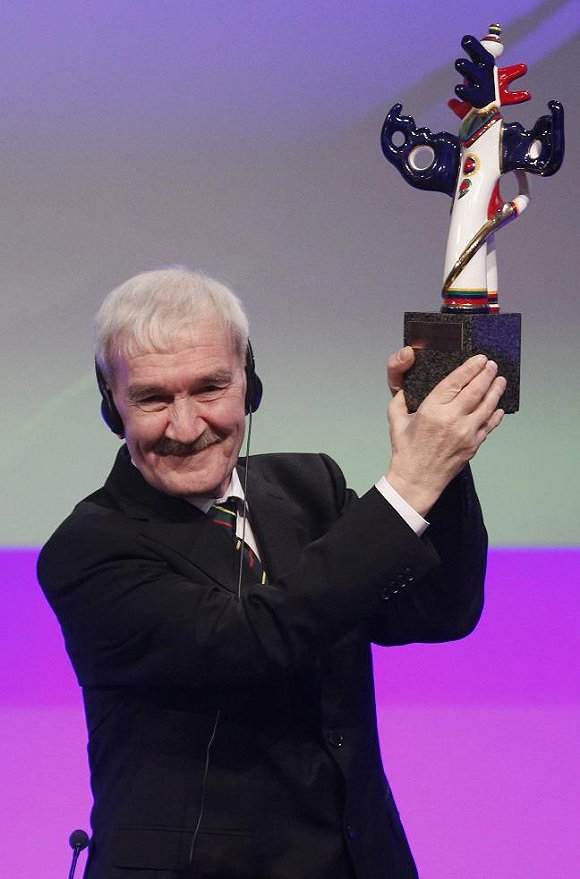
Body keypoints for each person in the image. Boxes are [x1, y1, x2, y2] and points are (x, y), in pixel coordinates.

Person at [38, 267, 506, 879]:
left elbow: (438, 610)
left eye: (210, 388)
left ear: (249, 383)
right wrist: (409, 483)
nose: (186, 426)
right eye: (153, 399)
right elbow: (253, 639)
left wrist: (443, 457)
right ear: (112, 406)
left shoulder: (308, 487)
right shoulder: (87, 550)